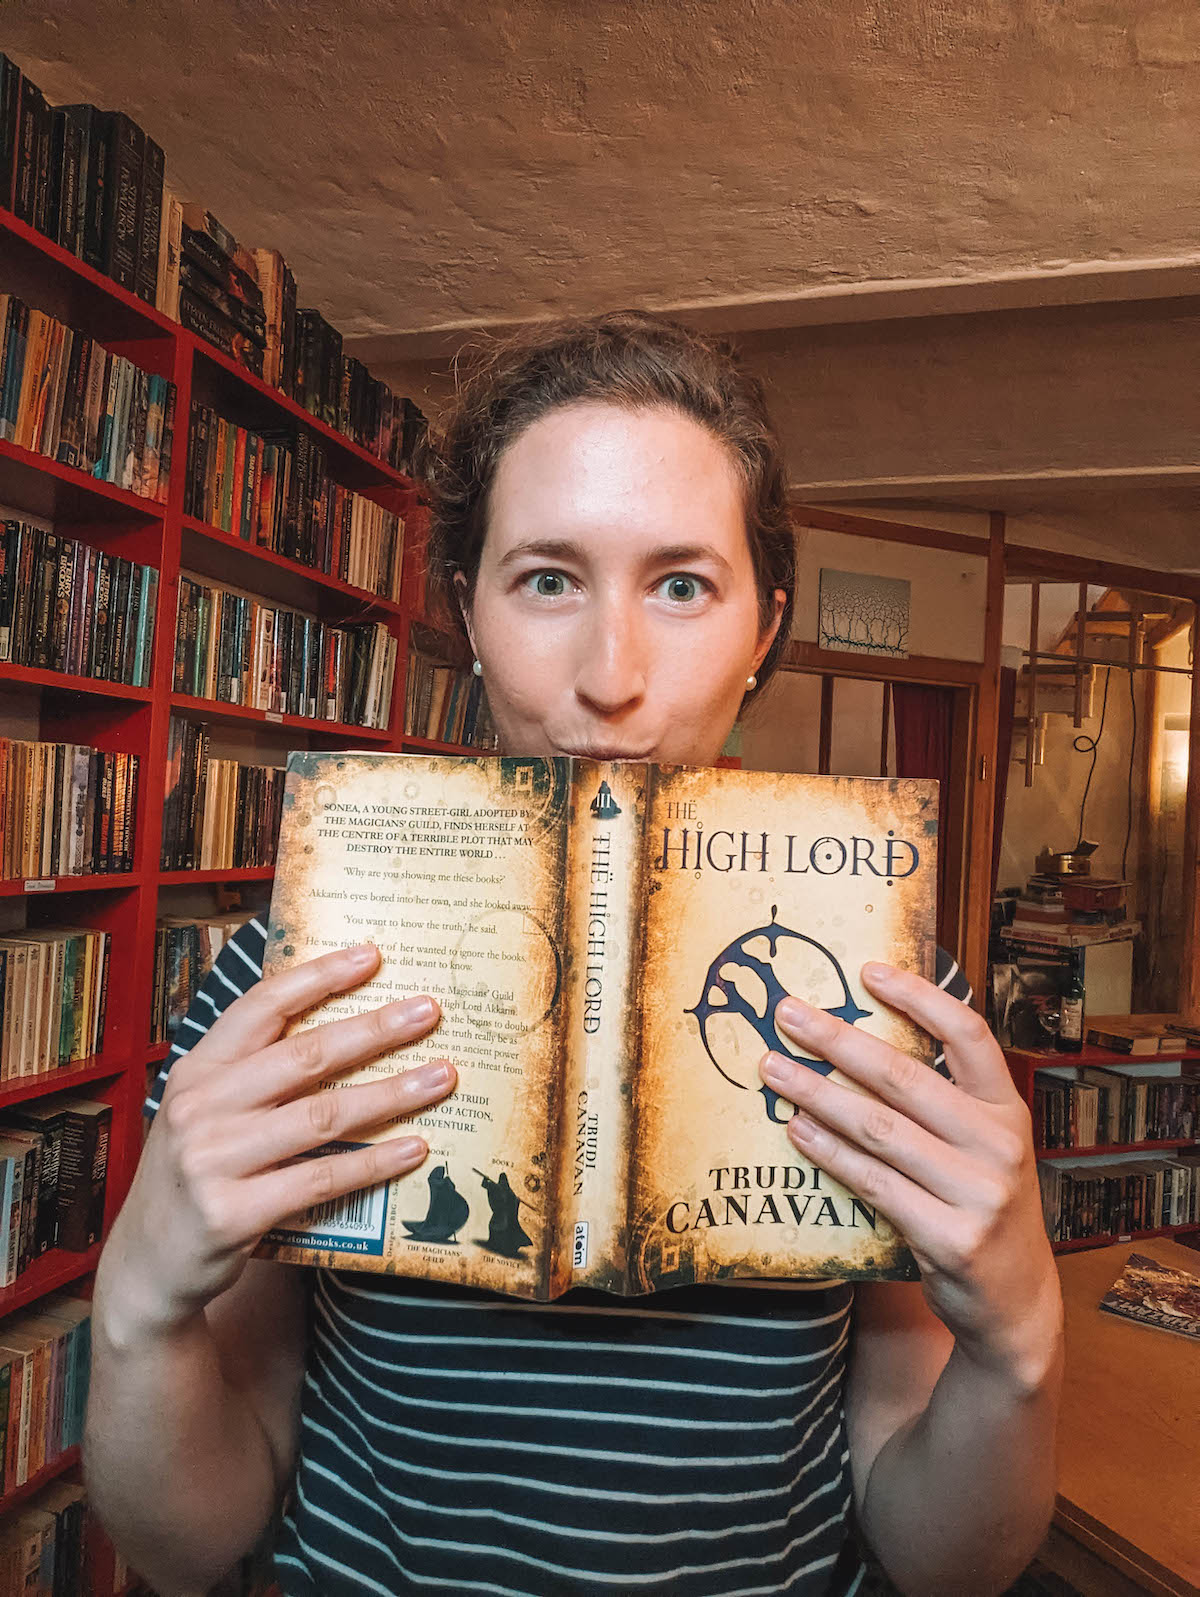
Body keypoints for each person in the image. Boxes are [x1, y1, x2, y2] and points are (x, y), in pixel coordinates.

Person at [85, 312, 1064, 1597]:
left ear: (764, 626)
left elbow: (951, 1565)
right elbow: (185, 1542)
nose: (613, 677)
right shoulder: (281, 989)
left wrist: (1021, 1347)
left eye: (681, 584)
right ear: (470, 613)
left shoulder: (896, 1007)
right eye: (548, 577)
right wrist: (139, 1310)